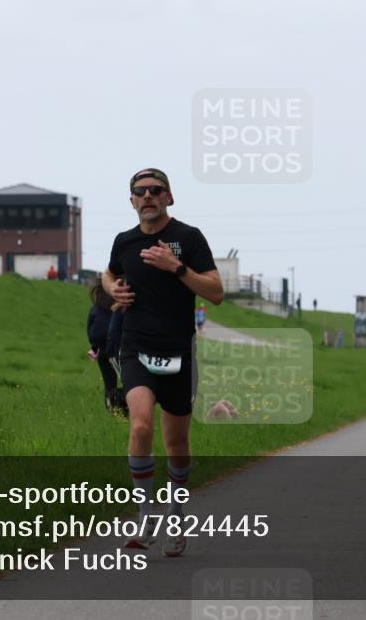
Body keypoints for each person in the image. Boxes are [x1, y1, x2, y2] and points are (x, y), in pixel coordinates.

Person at [102, 167, 223, 557]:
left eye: (156, 190)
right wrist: (113, 290)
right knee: (139, 426)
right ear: (132, 200)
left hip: (178, 351)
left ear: (169, 198)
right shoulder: (125, 241)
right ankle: (145, 515)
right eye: (141, 191)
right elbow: (108, 274)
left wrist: (178, 269)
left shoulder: (188, 238)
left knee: (177, 444)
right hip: (135, 346)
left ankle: (176, 513)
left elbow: (217, 292)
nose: (148, 196)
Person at [87, 283, 122, 412]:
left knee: (109, 383)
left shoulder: (94, 309)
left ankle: (111, 408)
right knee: (130, 382)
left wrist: (95, 346)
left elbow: (90, 332)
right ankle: (125, 406)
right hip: (119, 350)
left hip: (102, 351)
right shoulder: (119, 307)